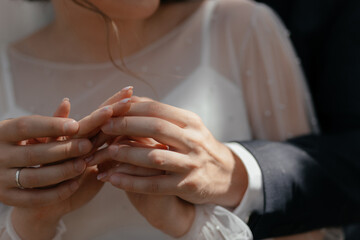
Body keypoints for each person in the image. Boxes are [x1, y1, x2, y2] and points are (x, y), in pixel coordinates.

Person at [0, 0, 322, 239]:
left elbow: (311, 228)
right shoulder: (4, 73)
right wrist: (32, 222)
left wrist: (187, 223)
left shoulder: (240, 28)